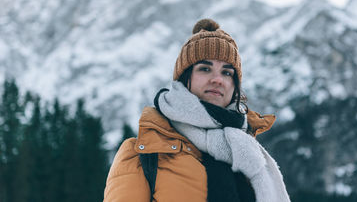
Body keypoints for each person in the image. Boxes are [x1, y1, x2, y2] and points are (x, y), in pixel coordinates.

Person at [103, 19, 291, 202]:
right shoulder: (143, 154)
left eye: (227, 72)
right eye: (205, 69)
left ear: (235, 86)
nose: (218, 79)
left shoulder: (248, 152)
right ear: (185, 78)